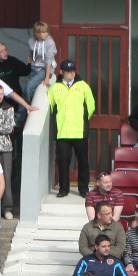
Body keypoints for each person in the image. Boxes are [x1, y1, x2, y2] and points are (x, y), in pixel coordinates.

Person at [50, 60, 95, 198]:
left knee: (83, 161)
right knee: (63, 161)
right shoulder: (55, 88)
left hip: (79, 130)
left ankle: (83, 189)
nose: (72, 73)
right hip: (63, 131)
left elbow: (91, 106)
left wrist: (81, 119)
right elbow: (51, 108)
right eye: (68, 71)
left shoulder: (83, 86)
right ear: (62, 72)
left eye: (73, 70)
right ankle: (64, 189)